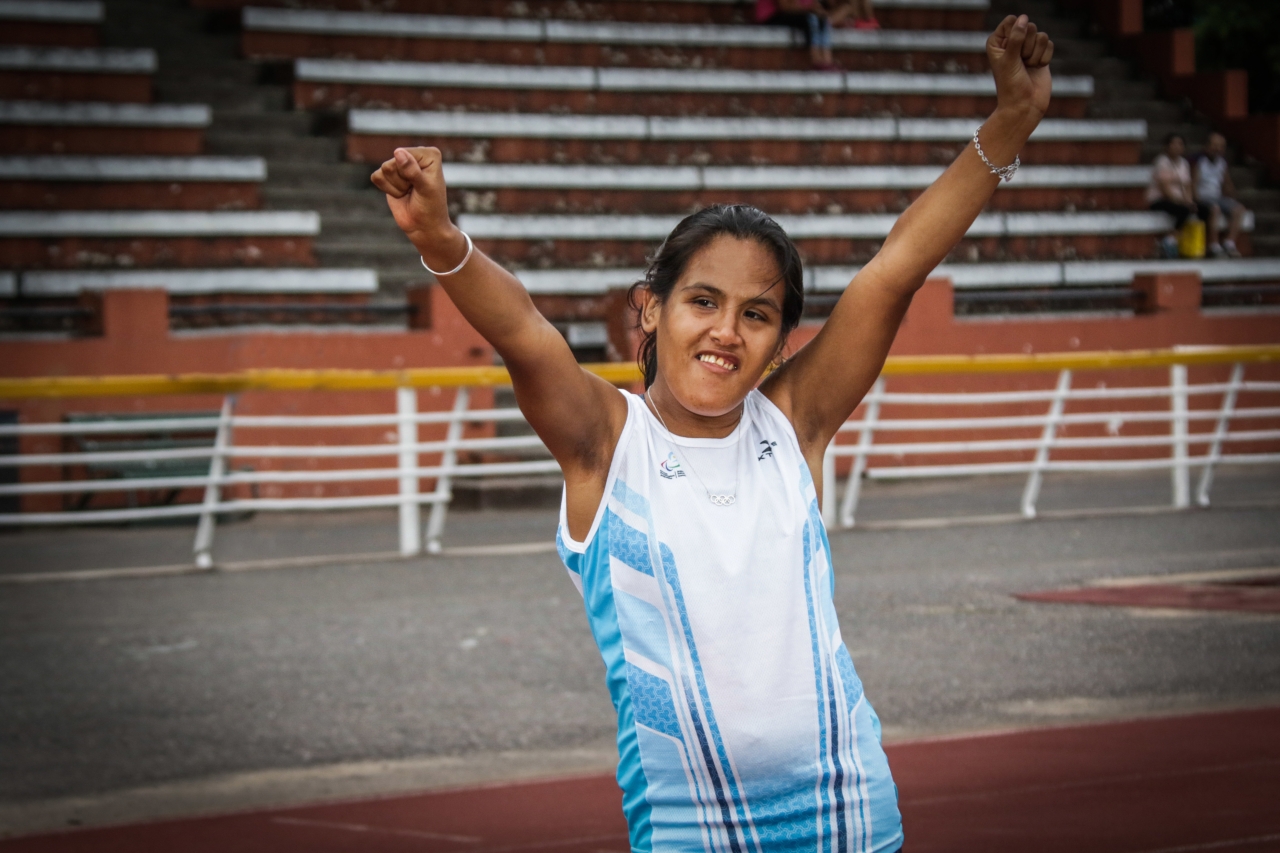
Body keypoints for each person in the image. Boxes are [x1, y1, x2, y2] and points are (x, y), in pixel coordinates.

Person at [372, 14, 1053, 852]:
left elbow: (896, 269)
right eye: (703, 301)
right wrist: (441, 240)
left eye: (757, 314)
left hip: (848, 808)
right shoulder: (604, 443)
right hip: (688, 825)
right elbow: (522, 331)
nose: (727, 330)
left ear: (781, 342)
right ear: (651, 309)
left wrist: (1011, 121)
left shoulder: (794, 422)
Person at [1194, 132, 1247, 258]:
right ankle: (1213, 245)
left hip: (1217, 197)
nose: (1217, 149)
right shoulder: (1199, 162)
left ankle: (1229, 243)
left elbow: (1227, 183)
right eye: (1214, 145)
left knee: (1238, 209)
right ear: (1207, 146)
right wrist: (1194, 201)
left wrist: (1232, 196)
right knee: (1215, 209)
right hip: (1203, 198)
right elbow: (1194, 183)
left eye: (1221, 146)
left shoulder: (1222, 163)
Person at [1146, 133, 1199, 259]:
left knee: (1201, 209)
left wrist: (1189, 200)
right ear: (1167, 146)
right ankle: (1169, 239)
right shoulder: (1161, 162)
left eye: (1180, 144)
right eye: (1173, 144)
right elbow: (1165, 188)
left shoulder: (1184, 163)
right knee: (1184, 210)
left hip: (1180, 200)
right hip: (1160, 199)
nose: (1176, 147)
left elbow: (1187, 186)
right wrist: (1182, 202)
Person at [756, 0, 839, 69]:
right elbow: (786, 7)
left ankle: (827, 60)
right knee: (810, 19)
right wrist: (808, 9)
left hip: (791, 13)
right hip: (770, 16)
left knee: (822, 19)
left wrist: (818, 12)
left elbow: (815, 7)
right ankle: (816, 60)